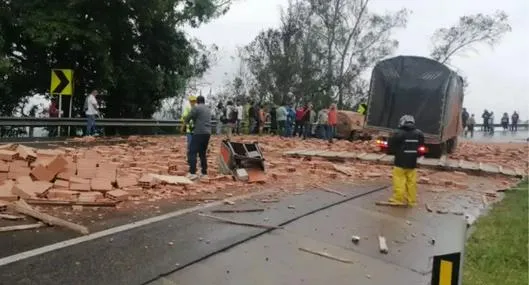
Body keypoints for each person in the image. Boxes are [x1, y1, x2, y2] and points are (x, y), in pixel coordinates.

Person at [387, 115, 425, 206]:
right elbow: (421, 148)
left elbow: (391, 147)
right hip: (412, 163)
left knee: (399, 181)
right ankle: (411, 201)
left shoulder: (397, 133)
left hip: (400, 162)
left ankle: (398, 199)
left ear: (402, 122)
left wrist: (394, 153)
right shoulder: (419, 134)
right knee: (411, 183)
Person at [184, 95, 211, 180]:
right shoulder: (208, 109)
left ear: (197, 101)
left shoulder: (197, 108)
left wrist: (185, 123)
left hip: (199, 132)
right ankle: (204, 173)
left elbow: (189, 117)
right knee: (202, 153)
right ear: (204, 101)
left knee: (192, 151)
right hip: (207, 133)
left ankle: (192, 172)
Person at [181, 95, 197, 160]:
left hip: (196, 130)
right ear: (190, 101)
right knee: (190, 143)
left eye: (194, 101)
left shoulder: (197, 108)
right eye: (192, 101)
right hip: (189, 130)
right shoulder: (187, 108)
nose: (193, 102)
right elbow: (184, 117)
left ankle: (194, 157)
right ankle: (189, 157)